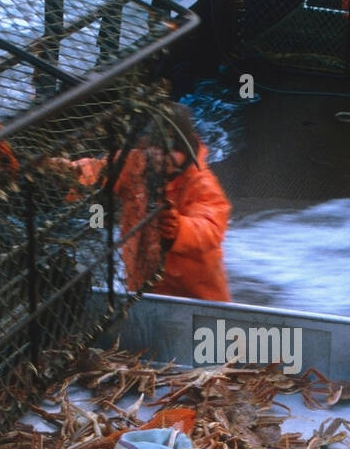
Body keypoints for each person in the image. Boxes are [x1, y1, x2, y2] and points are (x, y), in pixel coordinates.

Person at [43, 103, 232, 302]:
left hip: (196, 295)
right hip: (144, 288)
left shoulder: (201, 183)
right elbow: (100, 169)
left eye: (172, 150)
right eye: (156, 148)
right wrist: (70, 172)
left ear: (187, 149)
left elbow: (211, 228)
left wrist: (179, 229)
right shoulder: (137, 164)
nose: (162, 157)